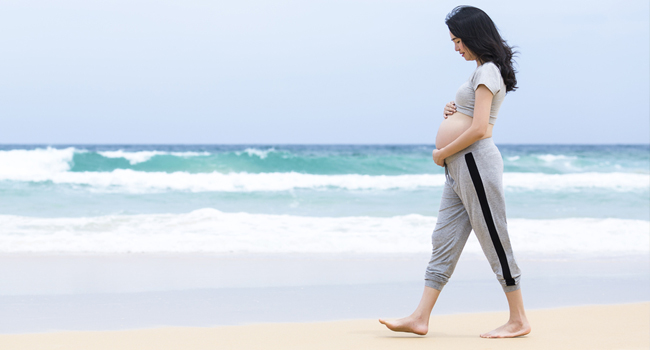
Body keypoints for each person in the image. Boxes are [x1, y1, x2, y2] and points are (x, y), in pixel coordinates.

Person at [379, 6, 531, 338]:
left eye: (458, 40)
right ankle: (420, 317)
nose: (456, 47)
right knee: (443, 239)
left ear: (474, 36)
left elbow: (480, 129)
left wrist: (441, 153)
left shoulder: (488, 70)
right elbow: (473, 114)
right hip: (460, 166)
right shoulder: (481, 71)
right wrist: (453, 111)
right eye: (453, 41)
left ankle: (519, 319)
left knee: (493, 236)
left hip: (474, 162)